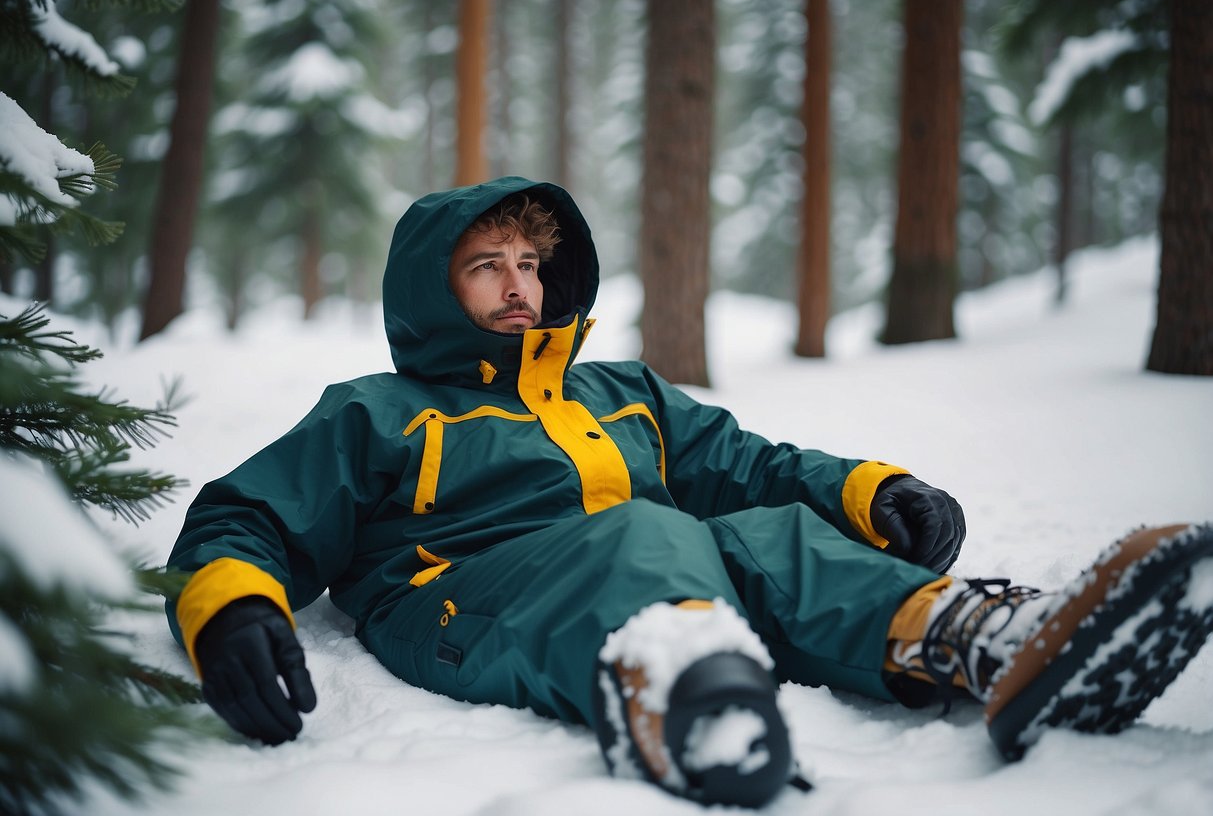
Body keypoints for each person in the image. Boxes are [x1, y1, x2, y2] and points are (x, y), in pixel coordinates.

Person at [167, 177, 1213, 808]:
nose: (519, 282)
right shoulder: (379, 409)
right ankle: (680, 691)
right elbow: (245, 513)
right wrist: (232, 607)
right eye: (484, 264)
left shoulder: (620, 391)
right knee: (639, 534)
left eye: (530, 260)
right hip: (460, 597)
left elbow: (747, 462)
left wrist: (867, 490)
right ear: (429, 288)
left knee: (760, 534)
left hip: (644, 564)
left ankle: (976, 635)